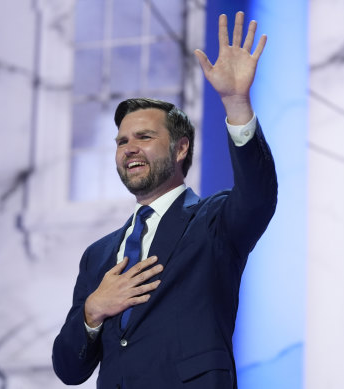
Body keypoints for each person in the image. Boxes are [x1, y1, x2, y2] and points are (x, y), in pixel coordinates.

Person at [52, 11, 277, 389]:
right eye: (122, 141)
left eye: (143, 137)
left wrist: (236, 104)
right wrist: (93, 310)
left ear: (180, 148)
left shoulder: (213, 221)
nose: (130, 149)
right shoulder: (98, 255)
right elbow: (68, 370)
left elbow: (258, 195)